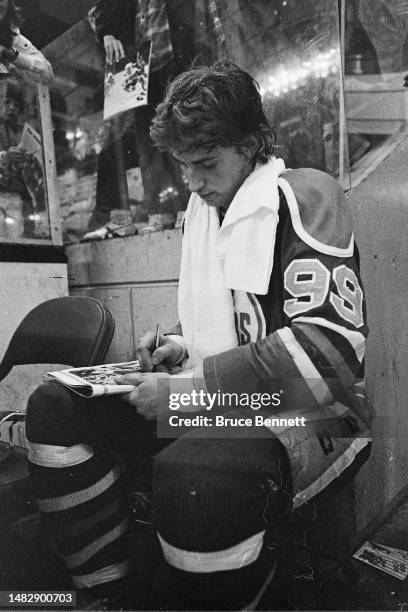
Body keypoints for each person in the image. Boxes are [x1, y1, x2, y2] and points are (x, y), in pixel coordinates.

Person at [26, 62, 372, 610]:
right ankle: (111, 592)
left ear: (254, 143)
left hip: (319, 411)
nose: (193, 182)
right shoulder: (205, 211)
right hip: (217, 402)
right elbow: (237, 325)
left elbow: (326, 355)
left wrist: (190, 392)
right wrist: (181, 348)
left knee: (197, 476)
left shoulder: (306, 196)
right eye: (184, 165)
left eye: (206, 163)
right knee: (52, 406)